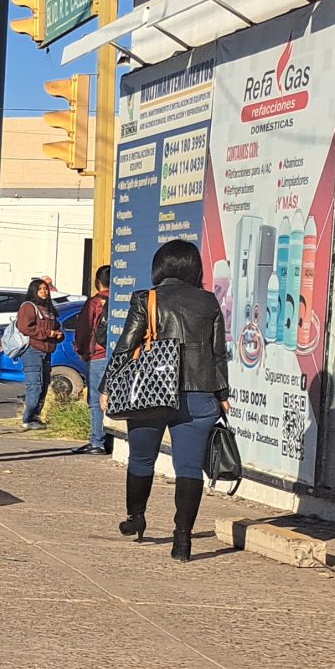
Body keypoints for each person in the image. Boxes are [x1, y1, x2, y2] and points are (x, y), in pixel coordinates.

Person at [115, 238, 231, 561]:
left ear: (160, 266)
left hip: (150, 390)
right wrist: (223, 395)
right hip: (199, 393)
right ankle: (183, 540)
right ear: (194, 268)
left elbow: (126, 346)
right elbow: (217, 353)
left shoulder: (145, 299)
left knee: (141, 459)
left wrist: (109, 386)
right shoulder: (209, 303)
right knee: (189, 467)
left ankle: (136, 518)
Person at [14, 277, 65, 431]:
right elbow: (24, 328)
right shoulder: (29, 307)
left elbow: (56, 326)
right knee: (34, 387)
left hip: (47, 352)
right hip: (32, 351)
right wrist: (46, 332)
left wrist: (57, 334)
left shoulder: (49, 309)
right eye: (40, 289)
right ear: (34, 291)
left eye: (46, 289)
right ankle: (27, 419)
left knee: (43, 387)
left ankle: (35, 418)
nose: (44, 291)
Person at [76, 266, 114, 454]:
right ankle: (111, 439)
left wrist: (82, 351)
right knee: (115, 398)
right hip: (119, 355)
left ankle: (97, 440)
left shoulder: (95, 302)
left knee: (97, 399)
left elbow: (83, 329)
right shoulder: (121, 301)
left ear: (97, 281)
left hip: (98, 355)